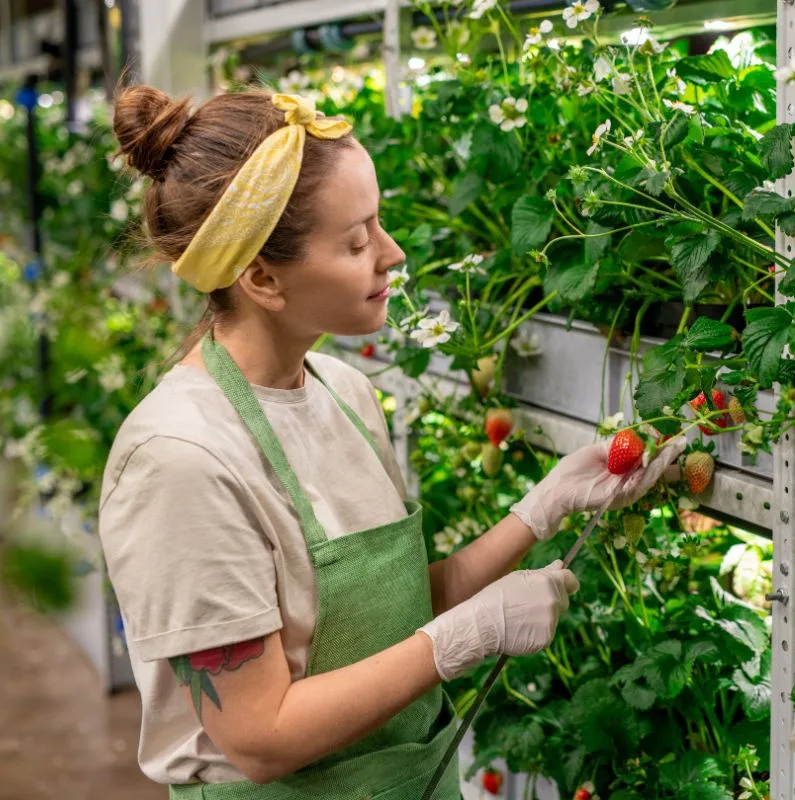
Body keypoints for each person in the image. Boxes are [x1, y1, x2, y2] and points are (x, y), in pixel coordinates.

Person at [98, 86, 684, 799]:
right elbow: (259, 736)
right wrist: (460, 643)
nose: (392, 254)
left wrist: (543, 509)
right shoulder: (183, 459)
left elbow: (392, 614)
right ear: (260, 277)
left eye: (379, 225)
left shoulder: (343, 394)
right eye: (356, 240)